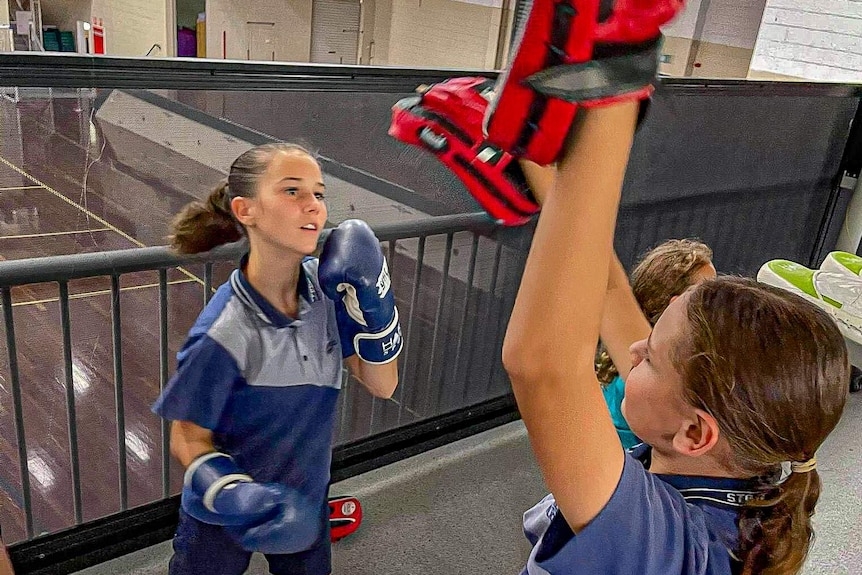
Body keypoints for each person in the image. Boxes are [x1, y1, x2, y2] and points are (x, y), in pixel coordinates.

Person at [484, 1, 849, 574]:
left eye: (651, 356)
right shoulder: (719, 455)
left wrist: (613, 95)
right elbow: (607, 297)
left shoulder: (670, 548)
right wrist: (535, 164)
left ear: (697, 432)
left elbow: (543, 364)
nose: (634, 349)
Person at [152, 142, 401, 575]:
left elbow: (383, 385)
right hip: (223, 517)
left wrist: (377, 310)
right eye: (292, 192)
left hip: (307, 498)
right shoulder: (225, 331)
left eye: (319, 194)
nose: (314, 207)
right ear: (246, 210)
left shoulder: (326, 294)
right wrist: (232, 494)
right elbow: (187, 438)